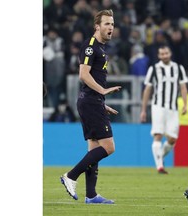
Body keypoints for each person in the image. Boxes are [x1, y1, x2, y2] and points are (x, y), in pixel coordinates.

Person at [60, 9, 121, 204]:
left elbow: (91, 80)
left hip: (93, 102)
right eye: (106, 24)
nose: (110, 27)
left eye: (112, 24)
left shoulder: (101, 49)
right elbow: (83, 75)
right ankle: (70, 176)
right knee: (109, 147)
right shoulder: (90, 46)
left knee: (94, 148)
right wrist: (102, 93)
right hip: (90, 101)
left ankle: (91, 195)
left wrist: (102, 103)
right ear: (97, 26)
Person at [140, 45, 188, 174]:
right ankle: (160, 166)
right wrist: (143, 110)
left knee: (172, 139)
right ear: (159, 56)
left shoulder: (178, 68)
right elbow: (147, 89)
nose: (164, 56)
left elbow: (183, 87)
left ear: (170, 53)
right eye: (162, 54)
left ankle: (159, 156)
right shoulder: (154, 69)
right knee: (158, 134)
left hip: (173, 108)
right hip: (158, 106)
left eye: (166, 53)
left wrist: (185, 104)